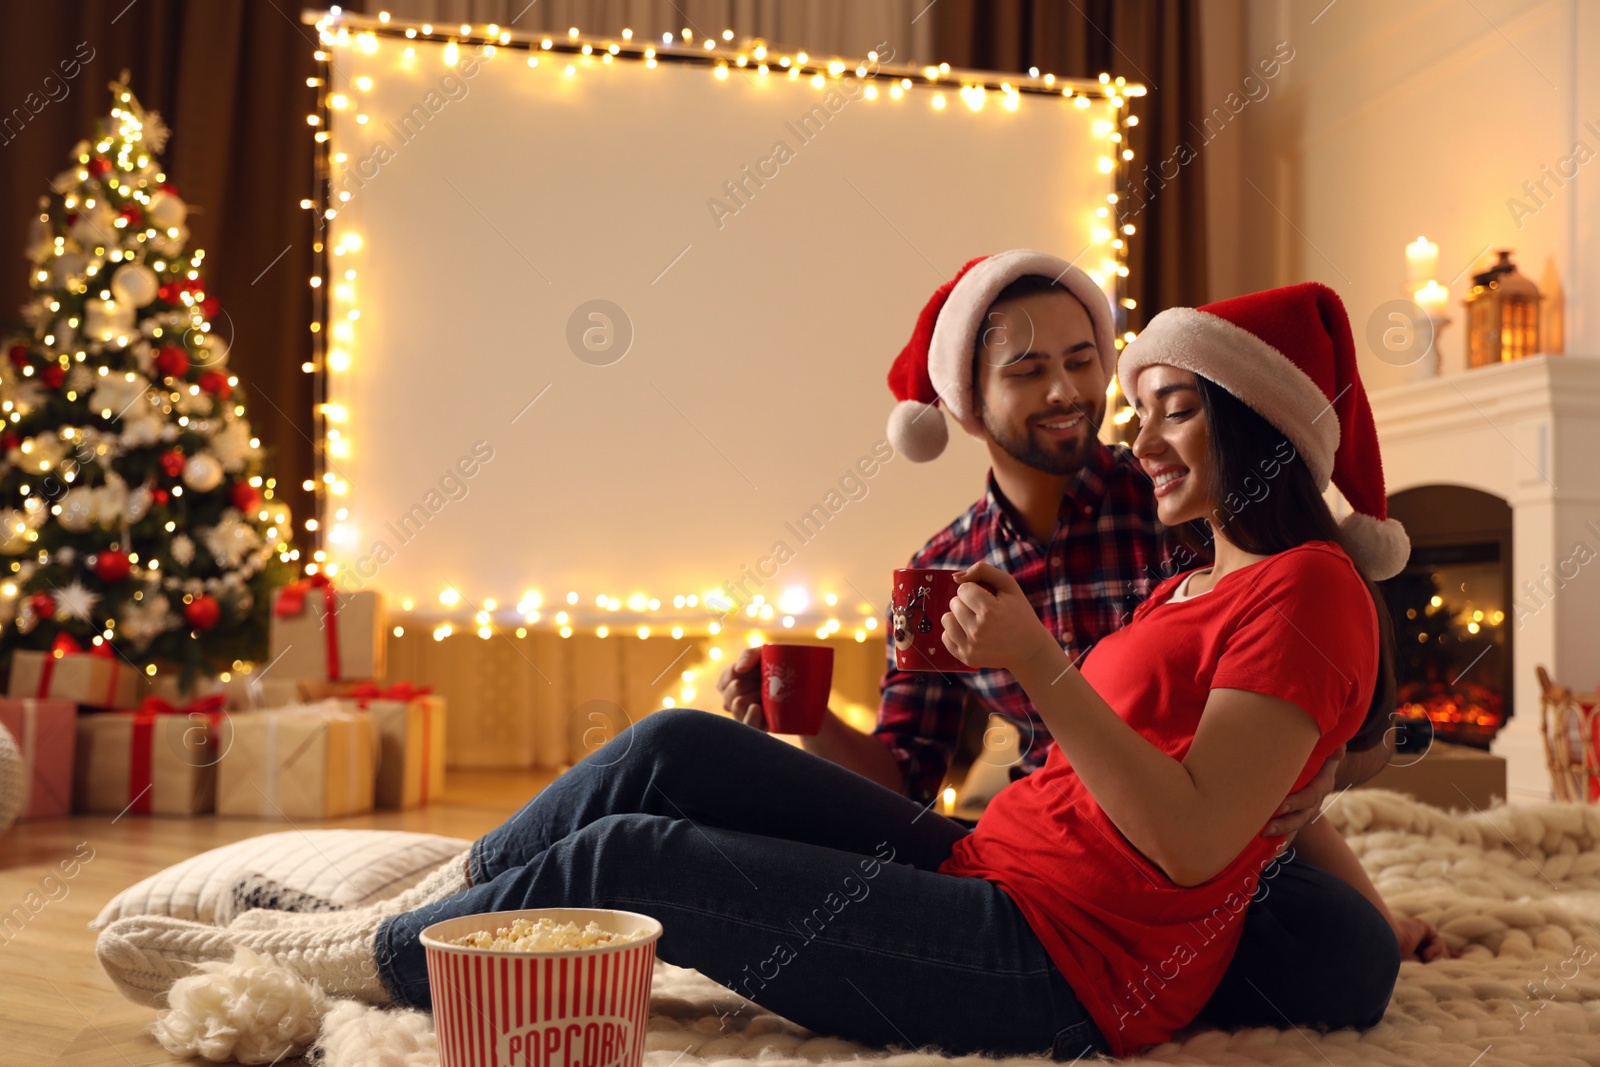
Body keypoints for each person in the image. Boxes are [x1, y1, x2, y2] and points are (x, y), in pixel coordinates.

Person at [96, 278, 1450, 1061]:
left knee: (630, 855)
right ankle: (429, 897)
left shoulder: (1312, 587)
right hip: (994, 859)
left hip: (1066, 963)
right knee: (676, 750)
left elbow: (1207, 825)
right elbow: (1279, 787)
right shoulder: (1198, 571)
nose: (1132, 431)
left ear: (1259, 428)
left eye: (1169, 408)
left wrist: (1043, 669)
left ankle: (341, 957)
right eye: (1133, 406)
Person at [721, 251, 1421, 1029]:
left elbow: (1328, 709)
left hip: (1193, 860)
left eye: (1082, 361)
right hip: (1039, 836)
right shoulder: (941, 573)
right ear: (968, 405)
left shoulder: (1186, 510)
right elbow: (905, 775)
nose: (1064, 391)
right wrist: (809, 721)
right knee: (688, 774)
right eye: (1026, 370)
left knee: (1351, 949)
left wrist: (1317, 767)